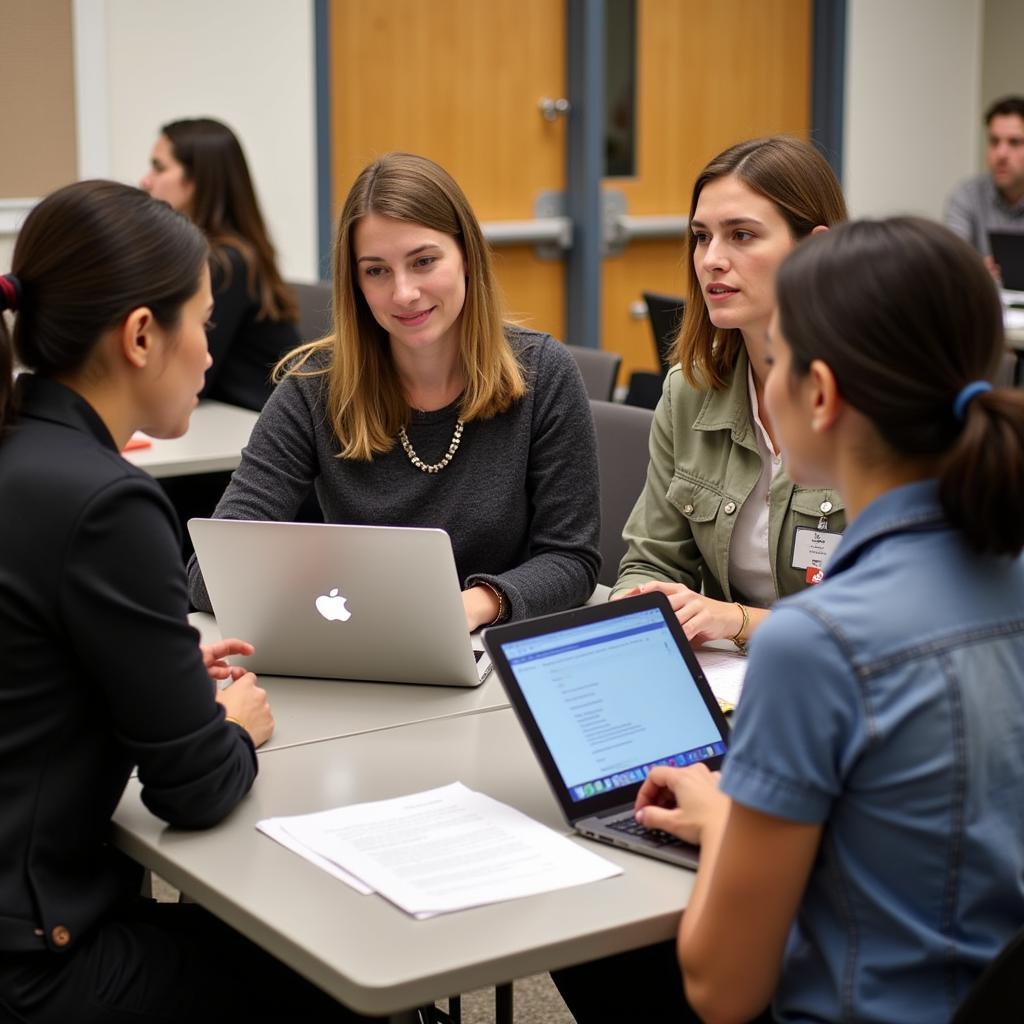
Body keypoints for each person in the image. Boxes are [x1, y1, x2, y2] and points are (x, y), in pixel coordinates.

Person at [559, 218, 1024, 1023]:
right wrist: (739, 822)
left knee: (585, 930)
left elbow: (721, 989)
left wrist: (734, 838)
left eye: (775, 361)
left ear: (819, 394)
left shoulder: (819, 646)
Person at [0, 181, 367, 1022]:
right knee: (338, 967)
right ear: (139, 336)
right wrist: (232, 725)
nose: (209, 352)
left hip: (23, 914)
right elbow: (193, 791)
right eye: (201, 322)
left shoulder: (18, 444)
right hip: (38, 964)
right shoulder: (105, 501)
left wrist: (141, 671)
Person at [186, 152, 600, 628]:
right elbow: (208, 575)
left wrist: (472, 605)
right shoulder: (314, 386)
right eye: (377, 270)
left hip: (491, 650)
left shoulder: (542, 373)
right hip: (362, 646)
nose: (403, 293)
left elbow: (572, 559)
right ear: (356, 282)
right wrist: (340, 602)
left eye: (423, 261)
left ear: (466, 255)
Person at [614, 136, 848, 649]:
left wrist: (737, 621)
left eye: (741, 235)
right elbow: (651, 559)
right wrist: (636, 603)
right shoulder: (690, 391)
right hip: (732, 683)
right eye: (702, 237)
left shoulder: (876, 401)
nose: (711, 260)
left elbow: (890, 615)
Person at [141, 117, 300, 411]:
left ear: (198, 180)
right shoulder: (215, 256)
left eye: (159, 168)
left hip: (256, 431)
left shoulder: (225, 264)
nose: (146, 180)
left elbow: (185, 380)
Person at [945, 95, 1024, 276]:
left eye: (1015, 142)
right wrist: (973, 269)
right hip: (983, 298)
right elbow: (951, 261)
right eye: (994, 142)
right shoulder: (966, 196)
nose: (1001, 154)